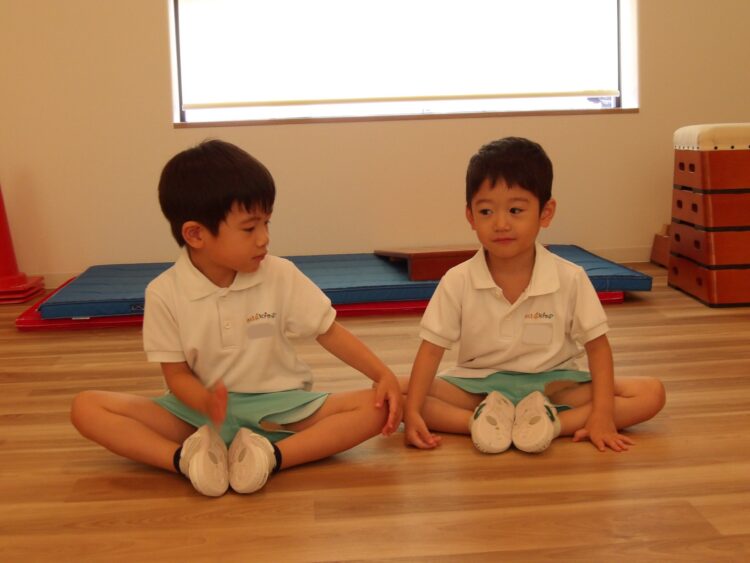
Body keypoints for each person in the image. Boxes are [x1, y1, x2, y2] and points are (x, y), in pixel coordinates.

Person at [71, 139, 402, 496]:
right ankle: (187, 459)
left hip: (279, 409)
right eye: (249, 228)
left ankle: (269, 456)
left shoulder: (280, 274)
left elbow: (329, 332)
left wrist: (381, 374)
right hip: (198, 415)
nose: (264, 239)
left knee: (378, 408)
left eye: (267, 223)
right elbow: (176, 374)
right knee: (86, 408)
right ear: (196, 234)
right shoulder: (164, 292)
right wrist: (203, 402)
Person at [403, 137, 665, 454]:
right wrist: (413, 412)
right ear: (471, 216)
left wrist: (603, 415)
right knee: (394, 393)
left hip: (555, 387)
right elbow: (431, 351)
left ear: (545, 212)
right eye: (486, 211)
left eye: (516, 210)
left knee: (651, 393)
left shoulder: (570, 277)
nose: (501, 224)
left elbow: (598, 349)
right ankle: (479, 421)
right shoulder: (457, 280)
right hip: (478, 387)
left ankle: (551, 424)